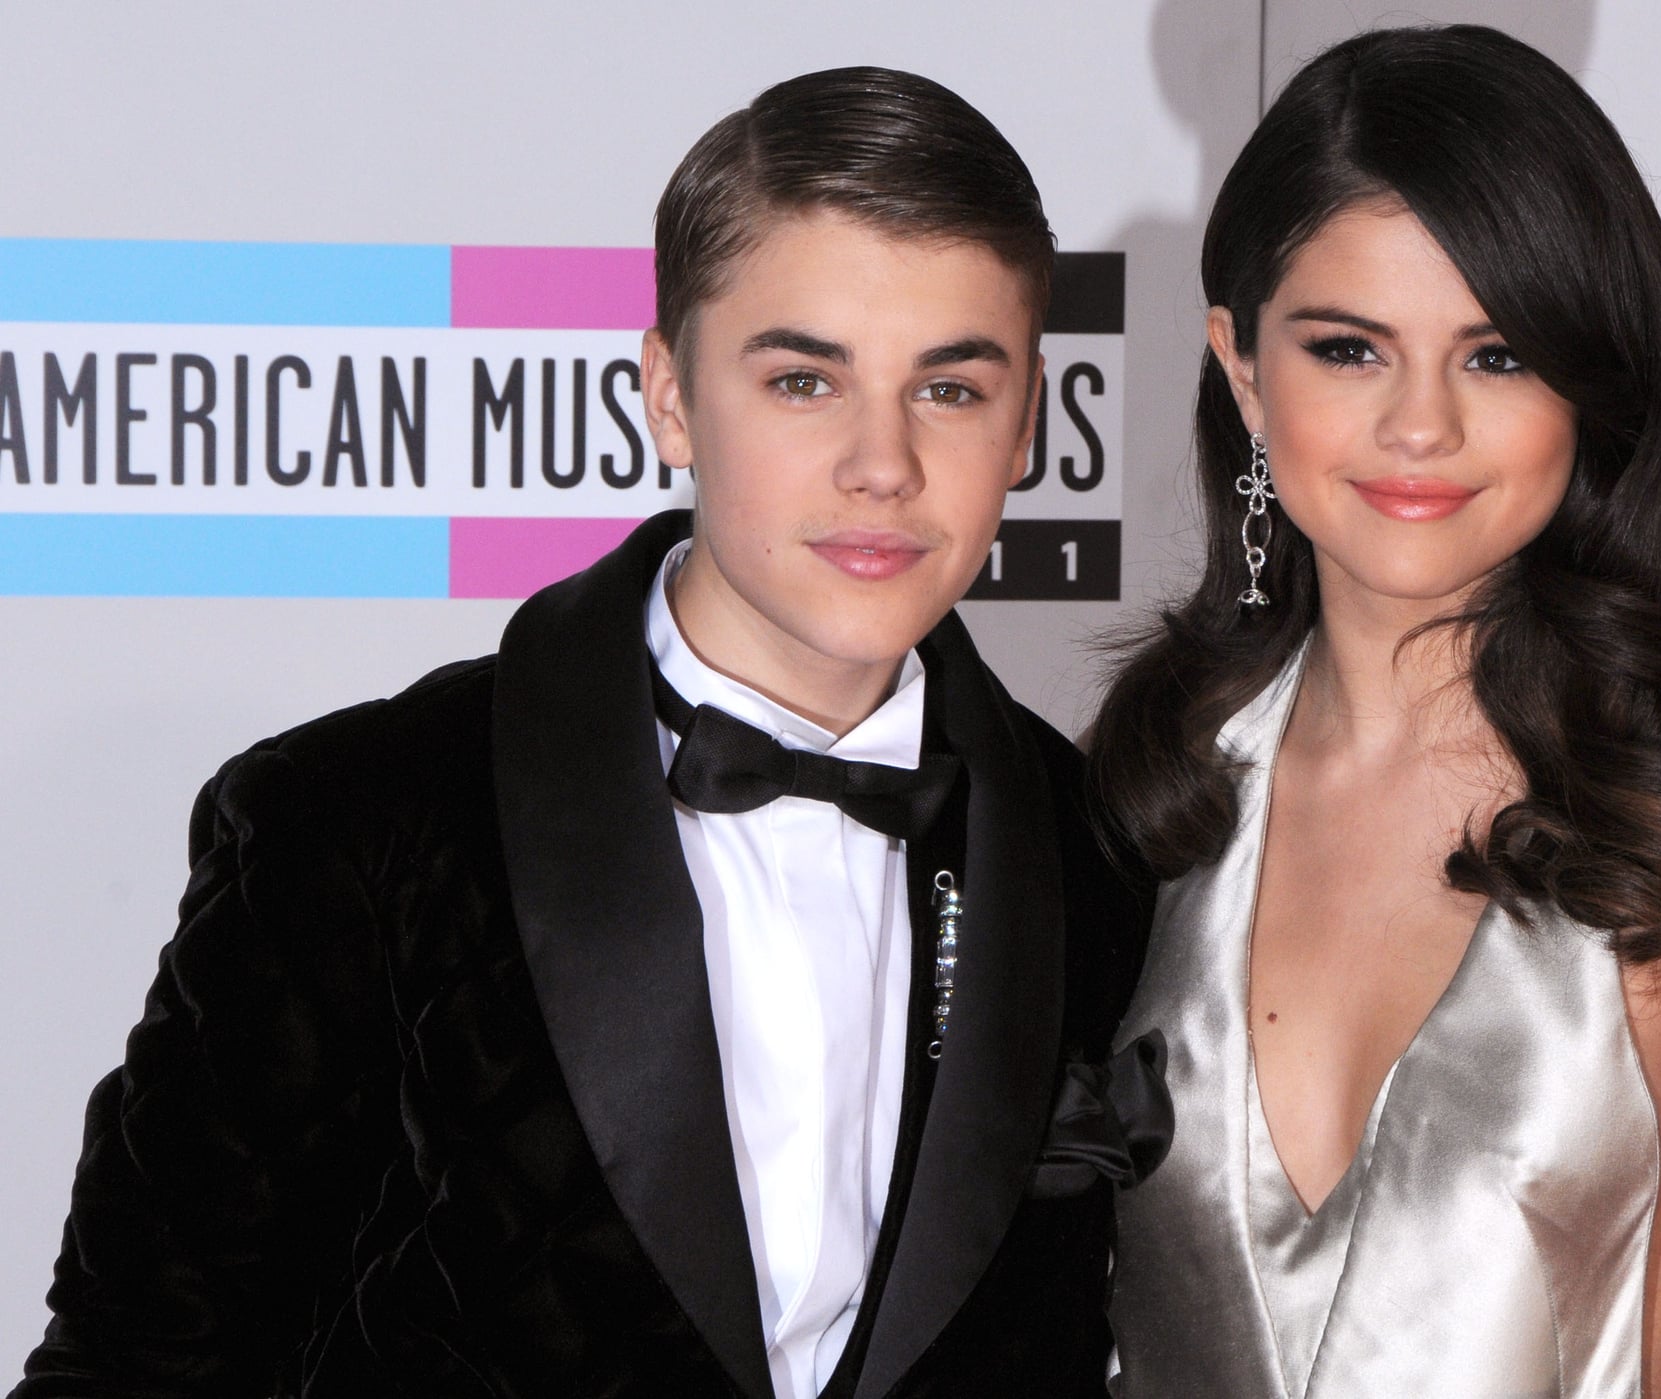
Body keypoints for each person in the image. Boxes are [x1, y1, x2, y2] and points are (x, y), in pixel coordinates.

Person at [15, 66, 1158, 1399]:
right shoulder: (364, 819)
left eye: (950, 389)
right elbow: (135, 1367)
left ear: (1027, 419)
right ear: (670, 396)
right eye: (804, 381)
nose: (882, 464)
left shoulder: (1092, 855)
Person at [1089, 24, 1661, 1398]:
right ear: (1240, 365)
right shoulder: (1154, 786)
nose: (1420, 427)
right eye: (1349, 348)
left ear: (1588, 384)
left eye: (1497, 355)